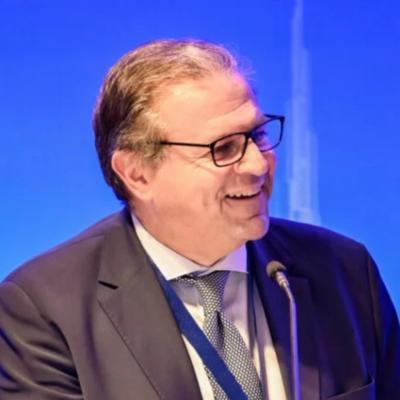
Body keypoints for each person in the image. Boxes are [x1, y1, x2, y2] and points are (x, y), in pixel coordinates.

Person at [0, 39, 399, 400]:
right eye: (223, 148)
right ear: (138, 174)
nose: (258, 165)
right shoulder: (43, 310)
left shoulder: (345, 273)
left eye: (258, 135)